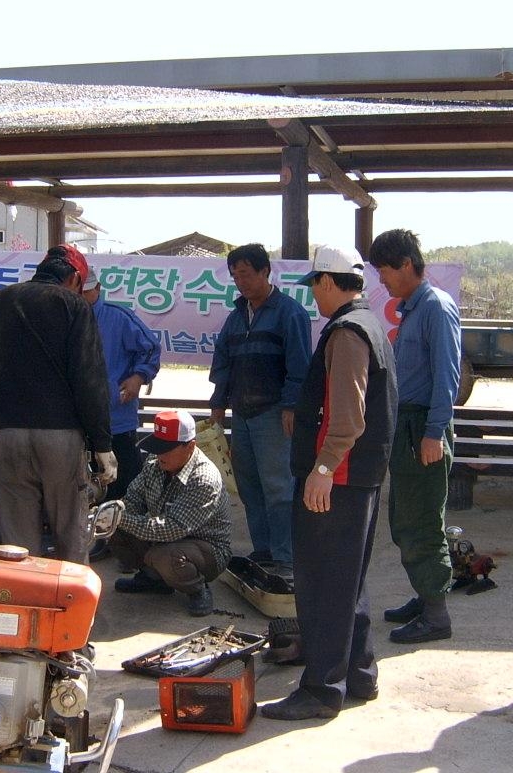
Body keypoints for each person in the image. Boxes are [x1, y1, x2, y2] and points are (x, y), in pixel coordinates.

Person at [261, 247, 398, 721]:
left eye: (314, 286)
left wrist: (323, 470)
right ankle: (359, 673)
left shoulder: (345, 332)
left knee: (321, 585)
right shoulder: (372, 324)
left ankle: (321, 690)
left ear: (325, 282)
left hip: (338, 478)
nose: (314, 297)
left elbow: (347, 415)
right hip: (359, 477)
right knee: (348, 580)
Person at [0, 244, 117, 563]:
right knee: (70, 533)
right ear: (73, 278)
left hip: (5, 433)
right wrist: (102, 444)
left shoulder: (0, 302)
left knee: (17, 546)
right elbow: (89, 378)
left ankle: (24, 609)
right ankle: (71, 607)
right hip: (59, 437)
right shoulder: (74, 305)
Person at [369, 228, 461, 644]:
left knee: (421, 521)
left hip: (422, 428)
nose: (382, 280)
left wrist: (433, 433)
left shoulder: (436, 308)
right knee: (405, 518)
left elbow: (447, 379)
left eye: (385, 270)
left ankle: (436, 615)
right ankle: (425, 596)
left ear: (406, 264)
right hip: (408, 426)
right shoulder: (413, 308)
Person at [208, 243, 311, 573]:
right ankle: (264, 550)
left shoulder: (290, 313)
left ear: (266, 272)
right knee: (250, 486)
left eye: (247, 274)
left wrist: (292, 407)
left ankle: (286, 556)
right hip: (242, 414)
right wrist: (217, 406)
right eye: (235, 276)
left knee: (279, 487)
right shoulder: (235, 317)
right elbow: (222, 362)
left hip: (274, 414)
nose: (241, 281)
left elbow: (300, 366)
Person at [111, 410, 231, 617]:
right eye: (158, 448)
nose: (160, 455)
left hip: (206, 549)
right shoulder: (155, 463)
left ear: (190, 446)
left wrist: (120, 518)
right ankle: (153, 578)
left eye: (166, 449)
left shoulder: (204, 479)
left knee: (166, 555)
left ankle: (197, 588)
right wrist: (113, 514)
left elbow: (170, 529)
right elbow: (133, 497)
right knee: (116, 528)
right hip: (166, 536)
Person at [81, 268, 161, 500]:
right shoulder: (64, 318)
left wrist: (138, 377)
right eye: (78, 292)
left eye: (87, 292)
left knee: (123, 492)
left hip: (116, 422)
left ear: (98, 289)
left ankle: (123, 535)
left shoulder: (118, 317)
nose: (82, 298)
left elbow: (151, 350)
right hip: (75, 426)